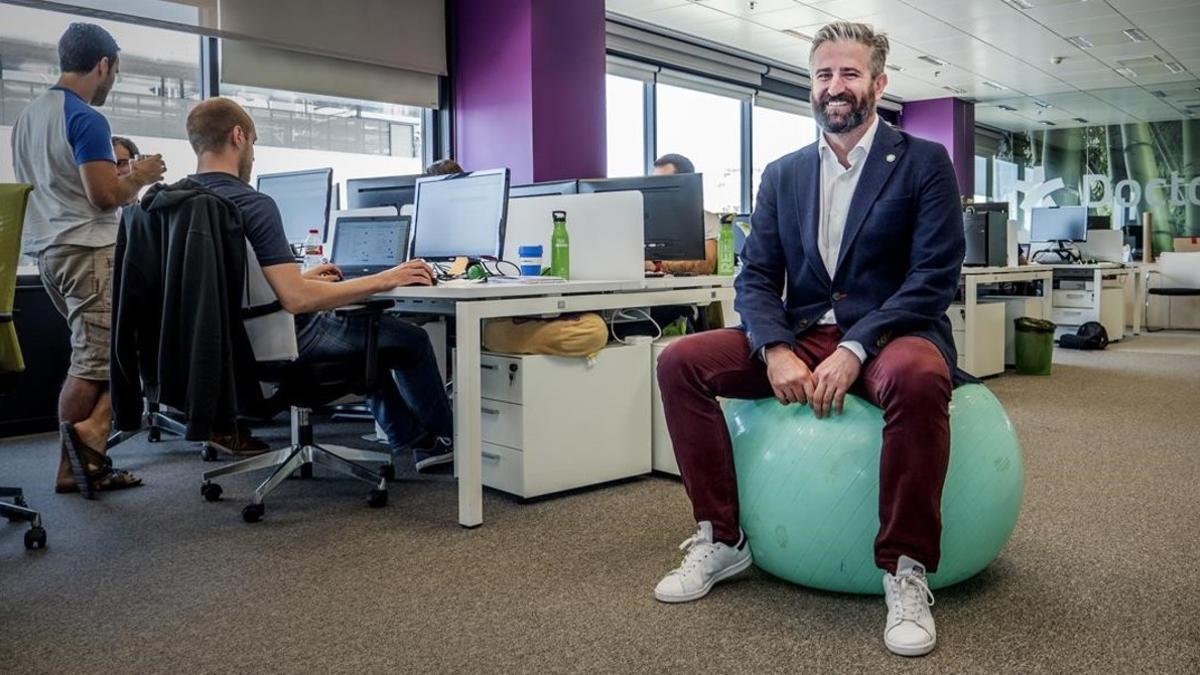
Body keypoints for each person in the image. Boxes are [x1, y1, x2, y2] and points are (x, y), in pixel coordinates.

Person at [653, 22, 965, 658]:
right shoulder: (785, 172)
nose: (835, 87)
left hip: (891, 333)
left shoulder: (924, 163)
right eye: (824, 74)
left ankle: (905, 569)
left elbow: (934, 277)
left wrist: (856, 349)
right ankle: (721, 537)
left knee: (919, 378)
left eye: (849, 73)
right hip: (801, 333)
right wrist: (773, 348)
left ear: (878, 83)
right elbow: (758, 276)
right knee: (680, 360)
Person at [184, 98, 455, 471]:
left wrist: (296, 277)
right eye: (254, 142)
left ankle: (413, 438)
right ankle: (442, 443)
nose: (253, 154)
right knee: (408, 340)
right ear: (238, 136)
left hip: (220, 348)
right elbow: (296, 300)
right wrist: (385, 278)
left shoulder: (176, 202)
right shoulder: (251, 203)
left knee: (372, 344)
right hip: (282, 342)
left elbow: (224, 281)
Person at [11, 23, 166, 497]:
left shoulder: (29, 117)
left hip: (50, 252)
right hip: (89, 250)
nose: (112, 81)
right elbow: (103, 196)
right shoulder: (85, 117)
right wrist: (139, 175)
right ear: (103, 65)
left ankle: (89, 460)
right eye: (115, 72)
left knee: (99, 356)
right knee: (97, 361)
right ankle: (75, 455)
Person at [646, 153, 719, 276]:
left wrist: (657, 266)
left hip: (690, 290)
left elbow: (705, 265)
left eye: (663, 182)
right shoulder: (644, 219)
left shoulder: (706, 220)